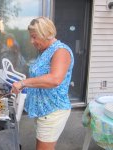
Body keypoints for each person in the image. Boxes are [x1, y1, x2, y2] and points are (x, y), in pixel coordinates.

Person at [11, 17, 74, 150]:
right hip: (43, 111)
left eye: (34, 37)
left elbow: (55, 79)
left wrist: (23, 83)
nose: (31, 41)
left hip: (52, 111)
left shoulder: (61, 51)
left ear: (47, 34)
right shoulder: (45, 51)